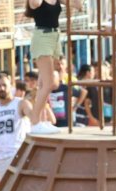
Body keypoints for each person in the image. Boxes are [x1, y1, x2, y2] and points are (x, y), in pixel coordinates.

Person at [26, 0, 84, 135]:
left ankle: (40, 119)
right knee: (49, 84)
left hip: (55, 37)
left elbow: (78, 5)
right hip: (42, 37)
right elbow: (34, 3)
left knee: (44, 84)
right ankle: (34, 122)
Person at [0, 76, 32, 182]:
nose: (2, 88)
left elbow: (34, 119)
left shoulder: (21, 103)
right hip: (0, 158)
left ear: (11, 86)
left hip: (19, 154)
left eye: (4, 85)